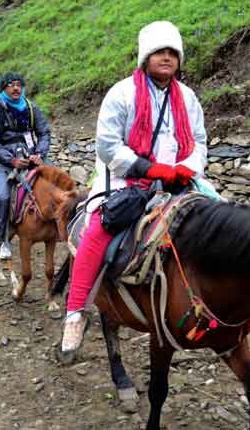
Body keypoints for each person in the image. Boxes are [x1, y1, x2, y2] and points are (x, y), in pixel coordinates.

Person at [60, 21, 209, 358]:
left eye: (173, 53)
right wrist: (147, 168)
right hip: (126, 180)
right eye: (160, 51)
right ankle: (75, 312)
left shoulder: (187, 97)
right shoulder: (121, 93)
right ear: (146, 57)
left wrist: (188, 167)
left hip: (178, 180)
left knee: (221, 215)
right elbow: (108, 146)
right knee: (99, 230)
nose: (167, 58)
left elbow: (199, 142)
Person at [0, 72, 51, 259]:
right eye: (11, 85)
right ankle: (3, 238)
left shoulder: (31, 108)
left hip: (31, 157)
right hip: (4, 162)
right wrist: (11, 160)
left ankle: (62, 226)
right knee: (3, 196)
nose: (16, 88)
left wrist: (40, 153)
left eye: (19, 84)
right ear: (3, 88)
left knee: (57, 183)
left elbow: (44, 132)